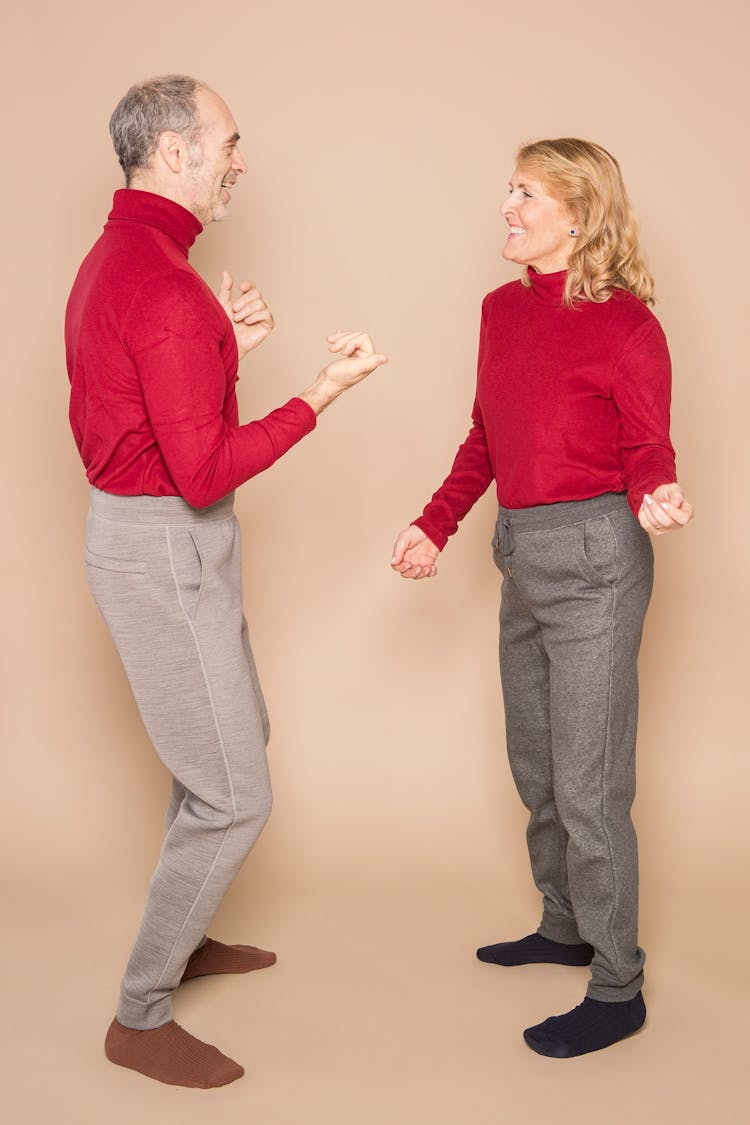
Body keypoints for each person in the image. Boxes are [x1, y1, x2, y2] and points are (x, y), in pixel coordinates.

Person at [65, 74, 387, 1089]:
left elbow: (152, 411)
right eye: (229, 141)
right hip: (163, 545)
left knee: (229, 745)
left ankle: (185, 923)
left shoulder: (143, 259)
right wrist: (319, 396)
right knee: (236, 796)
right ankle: (140, 1009)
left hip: (175, 540)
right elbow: (199, 470)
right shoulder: (160, 281)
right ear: (173, 151)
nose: (242, 159)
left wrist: (222, 353)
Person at [391, 138, 693, 1058]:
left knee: (591, 783)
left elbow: (646, 442)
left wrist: (658, 490)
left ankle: (616, 983)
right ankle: (563, 925)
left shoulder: (629, 325)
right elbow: (486, 434)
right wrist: (434, 523)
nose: (506, 208)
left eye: (524, 193)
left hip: (600, 555)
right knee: (538, 762)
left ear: (578, 211)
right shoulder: (499, 312)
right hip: (522, 550)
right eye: (510, 190)